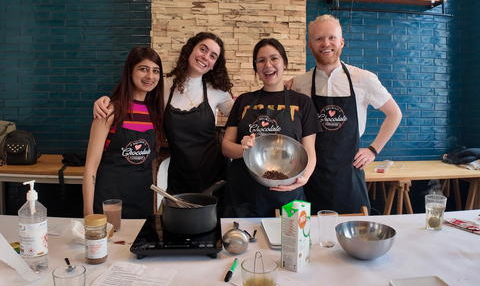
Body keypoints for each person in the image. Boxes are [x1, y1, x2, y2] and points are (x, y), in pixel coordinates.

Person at [93, 33, 234, 200]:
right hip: (180, 177)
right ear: (190, 50)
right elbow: (134, 95)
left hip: (216, 176)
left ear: (214, 65)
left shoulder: (217, 90)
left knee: (216, 224)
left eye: (212, 56)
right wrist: (106, 101)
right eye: (202, 49)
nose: (205, 57)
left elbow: (241, 117)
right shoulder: (163, 86)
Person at [287, 14, 403, 214]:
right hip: (311, 177)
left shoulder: (364, 79)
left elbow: (394, 114)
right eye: (319, 39)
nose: (326, 43)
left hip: (349, 177)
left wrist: (373, 150)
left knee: (353, 236)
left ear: (341, 42)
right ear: (310, 46)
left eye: (332, 37)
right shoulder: (300, 83)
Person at [222, 38, 321, 217]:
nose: (268, 65)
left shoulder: (302, 103)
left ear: (284, 63)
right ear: (256, 67)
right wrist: (243, 149)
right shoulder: (243, 101)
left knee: (286, 244)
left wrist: (303, 179)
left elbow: (309, 151)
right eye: (261, 60)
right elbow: (226, 146)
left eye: (274, 58)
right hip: (244, 195)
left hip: (288, 195)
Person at [83, 46, 164, 218]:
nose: (150, 76)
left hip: (142, 203)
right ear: (130, 72)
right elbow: (91, 165)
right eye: (143, 69)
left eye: (155, 71)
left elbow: (151, 165)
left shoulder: (156, 114)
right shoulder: (109, 110)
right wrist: (88, 213)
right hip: (109, 203)